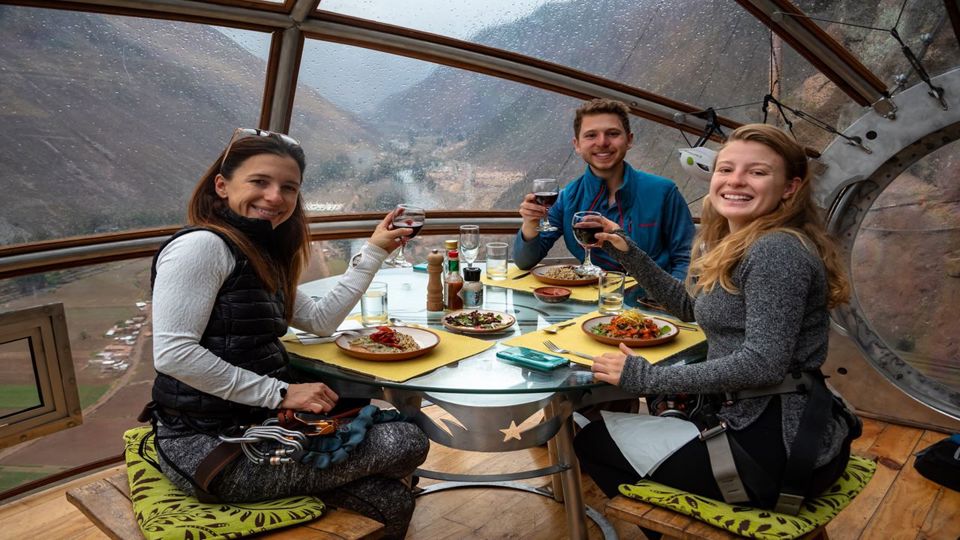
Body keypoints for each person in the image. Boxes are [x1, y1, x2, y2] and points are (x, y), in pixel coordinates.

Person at [146, 128, 429, 539]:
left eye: (288, 188)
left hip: (257, 425)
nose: (275, 197)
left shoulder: (256, 252)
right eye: (259, 182)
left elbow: (319, 320)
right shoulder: (203, 247)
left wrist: (374, 250)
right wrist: (279, 393)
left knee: (392, 493)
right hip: (208, 445)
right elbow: (173, 354)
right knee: (407, 441)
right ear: (222, 186)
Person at [574, 123, 859, 511]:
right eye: (726, 169)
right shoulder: (747, 242)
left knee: (589, 441)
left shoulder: (776, 251)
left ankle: (687, 528)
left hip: (777, 452)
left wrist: (647, 377)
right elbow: (695, 309)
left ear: (790, 187)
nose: (735, 181)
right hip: (772, 426)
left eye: (757, 172)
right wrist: (628, 250)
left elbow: (763, 364)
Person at [514, 98, 696, 302]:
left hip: (654, 303)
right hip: (590, 306)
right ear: (577, 145)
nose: (602, 142)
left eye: (612, 133)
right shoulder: (567, 198)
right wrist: (530, 223)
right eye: (591, 135)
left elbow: (687, 259)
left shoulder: (663, 192)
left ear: (629, 140)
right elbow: (525, 262)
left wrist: (673, 305)